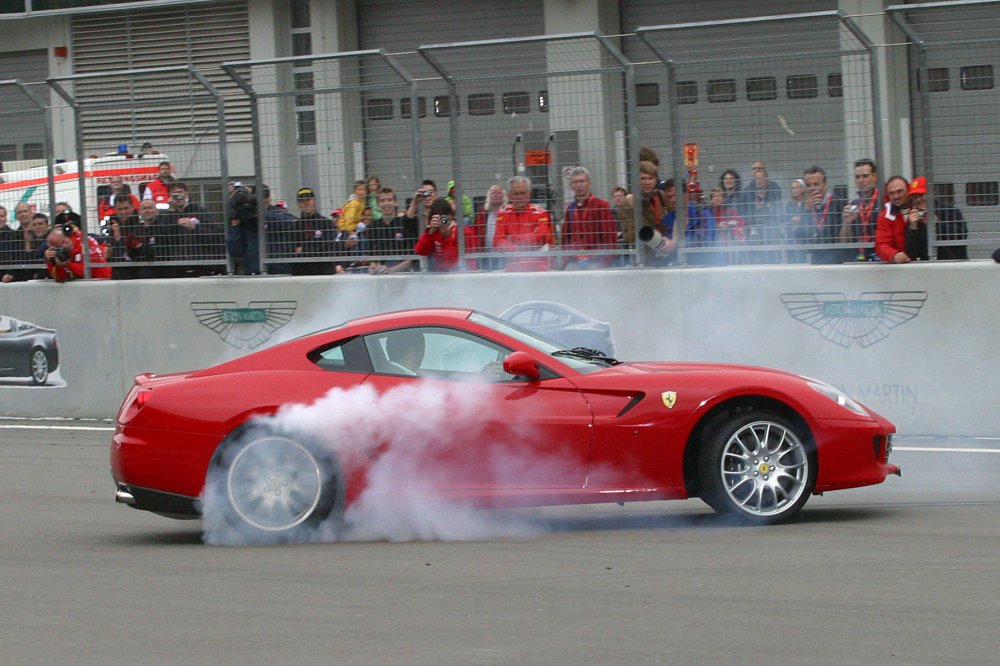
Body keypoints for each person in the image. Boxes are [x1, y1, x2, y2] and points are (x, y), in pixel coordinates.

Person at [558, 166, 617, 269]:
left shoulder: (601, 206)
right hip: (574, 262)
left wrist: (604, 264)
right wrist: (566, 261)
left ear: (589, 183)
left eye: (582, 181)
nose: (579, 185)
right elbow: (565, 238)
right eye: (575, 182)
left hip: (596, 263)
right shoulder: (570, 209)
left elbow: (610, 238)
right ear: (571, 186)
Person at [493, 175, 554, 272]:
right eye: (516, 193)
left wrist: (513, 242)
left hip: (539, 268)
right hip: (513, 268)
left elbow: (542, 237)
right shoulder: (502, 214)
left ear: (529, 194)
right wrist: (524, 247)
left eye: (523, 193)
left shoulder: (541, 212)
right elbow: (498, 241)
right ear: (509, 196)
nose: (519, 197)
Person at [166, 181, 224, 275]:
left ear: (186, 193)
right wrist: (171, 211)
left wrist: (194, 228)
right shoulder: (168, 214)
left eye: (180, 192)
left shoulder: (200, 210)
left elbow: (214, 234)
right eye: (174, 193)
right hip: (178, 264)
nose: (178, 196)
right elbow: (166, 235)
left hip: (200, 262)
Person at [800, 165, 851, 264]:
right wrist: (806, 211)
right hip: (815, 260)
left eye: (816, 184)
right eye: (808, 185)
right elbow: (800, 237)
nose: (812, 188)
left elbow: (845, 239)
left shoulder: (839, 203)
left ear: (825, 185)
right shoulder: (804, 206)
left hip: (837, 260)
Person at [413, 197, 478, 272]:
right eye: (439, 217)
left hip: (461, 273)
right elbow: (420, 251)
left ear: (451, 215)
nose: (442, 220)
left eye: (444, 216)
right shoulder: (434, 232)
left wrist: (446, 237)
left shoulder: (464, 232)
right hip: (440, 274)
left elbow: (458, 261)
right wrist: (430, 232)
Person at [366, 187, 418, 274]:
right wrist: (373, 266)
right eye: (382, 200)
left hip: (405, 274)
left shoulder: (404, 223)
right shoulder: (373, 226)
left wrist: (391, 270)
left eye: (389, 200)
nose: (386, 203)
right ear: (378, 204)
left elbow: (412, 258)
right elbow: (372, 256)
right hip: (382, 274)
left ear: (396, 202)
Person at [43, 215, 111, 281]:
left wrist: (68, 264)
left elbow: (87, 272)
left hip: (104, 281)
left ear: (68, 235)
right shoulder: (62, 253)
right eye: (59, 246)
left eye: (63, 241)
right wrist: (52, 262)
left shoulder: (85, 242)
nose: (64, 246)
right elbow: (61, 278)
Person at [741, 161, 783, 263]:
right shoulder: (747, 190)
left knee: (772, 257)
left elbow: (777, 208)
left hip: (771, 229)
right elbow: (744, 210)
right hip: (753, 230)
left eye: (761, 177)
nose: (759, 180)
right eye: (754, 170)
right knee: (754, 258)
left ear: (766, 177)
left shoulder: (774, 188)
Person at [636, 161, 675, 266]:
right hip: (645, 257)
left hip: (667, 254)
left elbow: (674, 219)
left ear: (655, 180)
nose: (647, 182)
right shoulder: (632, 201)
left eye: (650, 178)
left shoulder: (662, 196)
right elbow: (631, 235)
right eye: (643, 179)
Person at [289, 187, 335, 275]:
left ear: (314, 201)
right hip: (301, 272)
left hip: (323, 271)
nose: (306, 203)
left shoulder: (326, 223)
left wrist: (304, 249)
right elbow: (291, 250)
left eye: (308, 200)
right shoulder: (295, 226)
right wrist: (314, 246)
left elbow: (328, 247)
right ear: (298, 204)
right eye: (302, 201)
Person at [843, 158, 881, 261]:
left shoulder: (883, 202)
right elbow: (844, 242)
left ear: (875, 177)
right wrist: (846, 224)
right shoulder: (853, 205)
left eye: (865, 176)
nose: (861, 181)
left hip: (881, 257)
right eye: (857, 177)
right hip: (859, 259)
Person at [874, 175, 913, 263]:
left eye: (900, 191)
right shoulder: (886, 216)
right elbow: (881, 245)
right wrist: (894, 255)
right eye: (892, 193)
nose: (896, 196)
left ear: (908, 190)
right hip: (899, 266)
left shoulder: (918, 206)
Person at [225, 182, 260, 274]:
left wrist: (252, 197)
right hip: (250, 271)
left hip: (271, 269)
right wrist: (234, 224)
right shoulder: (238, 223)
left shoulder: (269, 216)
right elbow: (235, 251)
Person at [471, 184, 505, 270]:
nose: (496, 195)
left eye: (499, 193)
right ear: (489, 196)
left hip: (504, 255)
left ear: (504, 196)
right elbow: (477, 232)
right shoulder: (483, 213)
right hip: (486, 254)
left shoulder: (507, 212)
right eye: (493, 193)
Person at [707, 186, 746, 263]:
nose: (718, 198)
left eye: (720, 196)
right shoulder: (707, 211)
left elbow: (741, 221)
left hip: (728, 247)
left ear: (723, 199)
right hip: (713, 246)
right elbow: (704, 226)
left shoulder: (729, 210)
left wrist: (732, 223)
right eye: (715, 196)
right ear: (711, 199)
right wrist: (717, 226)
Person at [933, 189, 968, 260]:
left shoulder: (950, 211)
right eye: (914, 197)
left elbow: (961, 234)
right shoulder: (913, 217)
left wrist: (937, 224)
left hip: (953, 263)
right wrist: (913, 228)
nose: (918, 199)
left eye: (921, 195)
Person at [781, 178, 809, 263]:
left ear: (803, 189)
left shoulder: (806, 203)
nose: (795, 190)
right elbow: (784, 218)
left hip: (803, 239)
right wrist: (791, 218)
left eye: (797, 187)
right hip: (790, 238)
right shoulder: (789, 205)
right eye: (793, 188)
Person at [611, 186, 634, 266]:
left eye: (620, 196)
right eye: (615, 196)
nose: (618, 198)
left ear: (625, 197)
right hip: (617, 246)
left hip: (630, 243)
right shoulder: (610, 212)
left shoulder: (631, 210)